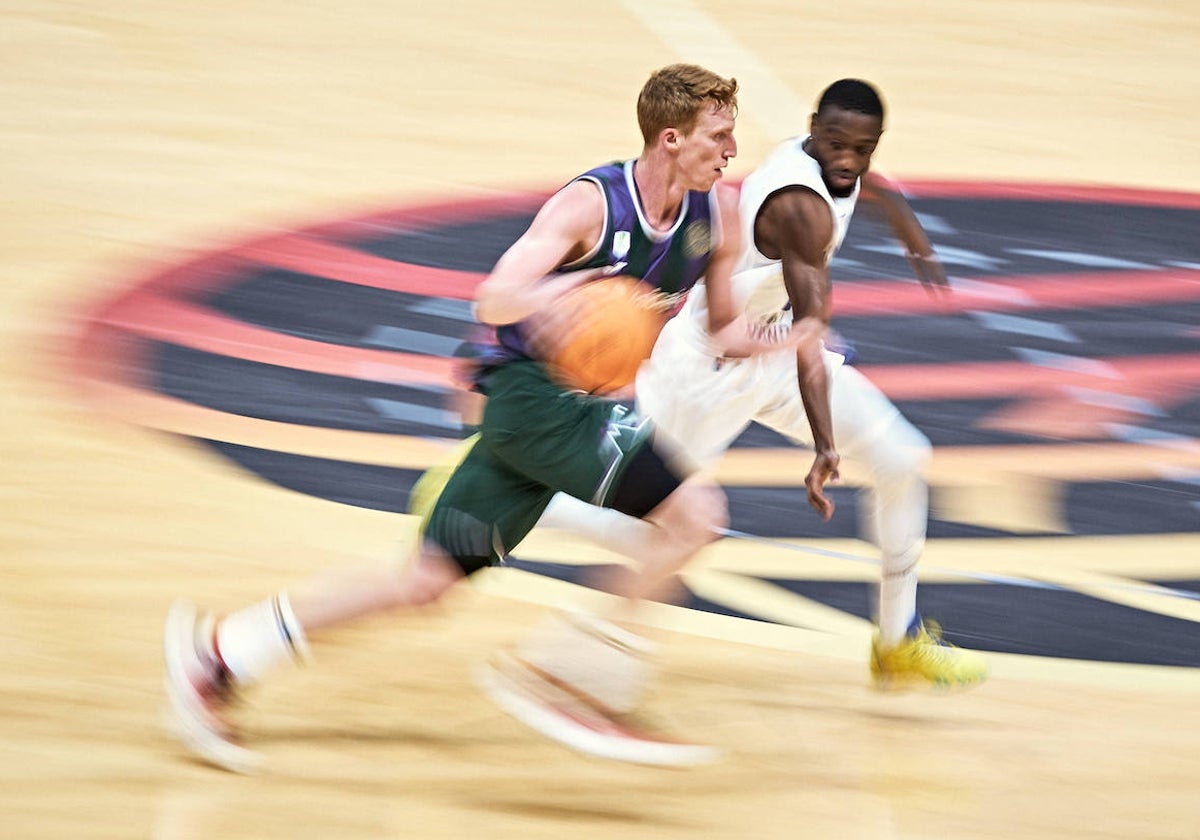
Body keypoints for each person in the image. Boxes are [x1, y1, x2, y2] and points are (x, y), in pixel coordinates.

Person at [162, 63, 818, 773]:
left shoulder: (712, 218)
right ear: (670, 137)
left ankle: (222, 655)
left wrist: (792, 336)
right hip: (532, 399)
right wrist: (568, 293)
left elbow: (722, 328)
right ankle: (572, 677)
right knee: (693, 515)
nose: (729, 151)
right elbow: (495, 296)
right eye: (718, 136)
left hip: (571, 408)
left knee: (424, 582)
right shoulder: (591, 205)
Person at [542, 78, 989, 691]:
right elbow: (811, 339)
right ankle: (524, 501)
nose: (849, 160)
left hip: (771, 349)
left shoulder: (836, 157)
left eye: (864, 149)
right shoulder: (799, 209)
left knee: (903, 458)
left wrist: (910, 233)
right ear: (814, 130)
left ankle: (898, 642)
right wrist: (825, 447)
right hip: (710, 368)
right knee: (663, 525)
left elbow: (867, 181)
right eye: (839, 145)